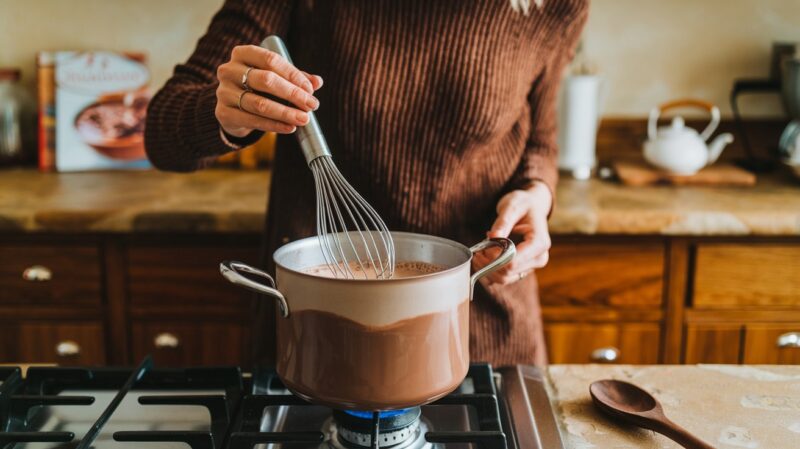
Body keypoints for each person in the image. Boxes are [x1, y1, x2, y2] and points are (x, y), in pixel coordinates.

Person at [145, 0, 589, 367]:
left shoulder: (553, 6)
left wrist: (536, 193)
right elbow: (163, 135)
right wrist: (224, 113)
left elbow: (540, 140)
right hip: (319, 326)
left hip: (478, 325)